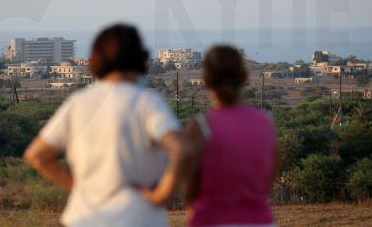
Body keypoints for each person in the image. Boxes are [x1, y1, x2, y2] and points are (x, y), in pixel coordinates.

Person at [24, 23, 190, 227]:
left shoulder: (78, 102)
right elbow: (183, 149)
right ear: (139, 58)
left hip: (84, 218)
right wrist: (161, 195)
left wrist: (78, 188)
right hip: (139, 218)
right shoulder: (147, 102)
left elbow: (36, 155)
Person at [184, 45, 278, 227]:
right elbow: (267, 181)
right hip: (260, 221)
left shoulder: (200, 127)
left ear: (206, 82)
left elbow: (190, 190)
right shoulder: (266, 123)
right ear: (244, 78)